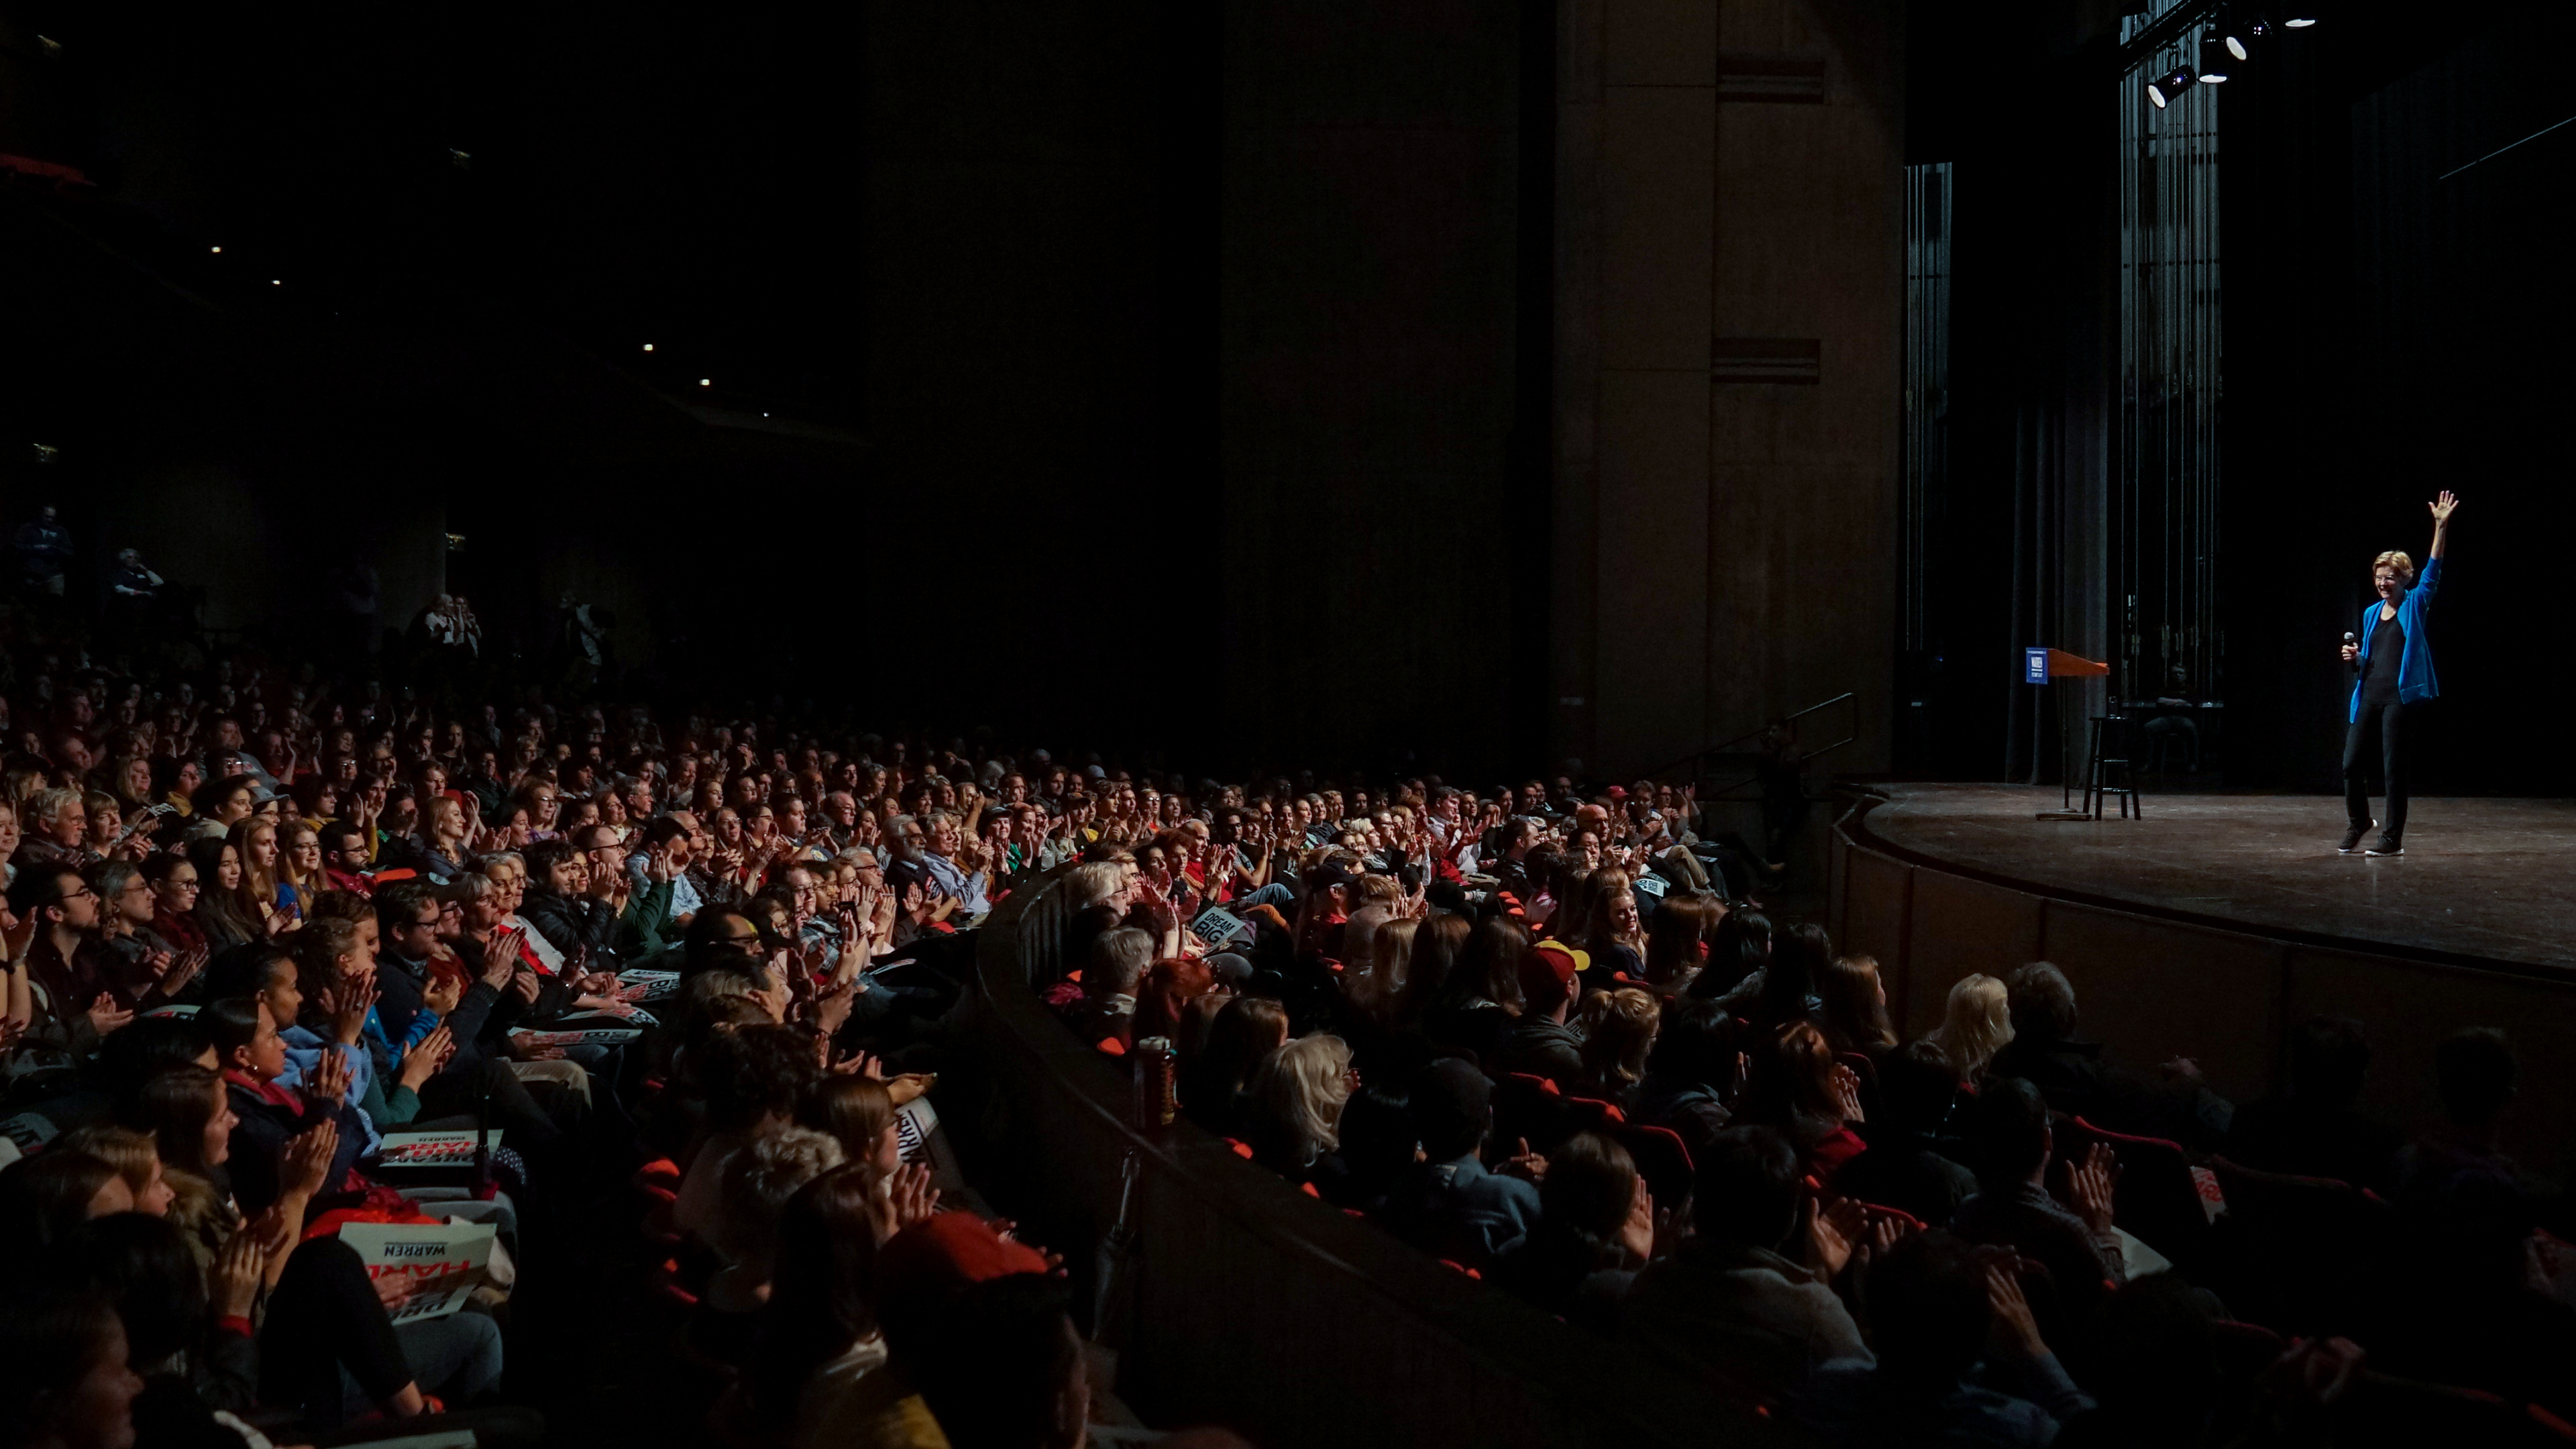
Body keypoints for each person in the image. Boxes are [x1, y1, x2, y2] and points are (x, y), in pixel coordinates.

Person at [1619, 1125, 1870, 1401]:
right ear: (1791, 1222)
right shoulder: (1820, 1323)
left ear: (1695, 1205)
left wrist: (1652, 1261)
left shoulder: (1644, 1289)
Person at [2337, 490, 2457, 856]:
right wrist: (2355, 658)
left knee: (2393, 770)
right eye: (2379, 577)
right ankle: (2360, 821)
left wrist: (2440, 525)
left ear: (2404, 578)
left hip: (2400, 698)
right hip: (2369, 693)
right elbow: (2372, 659)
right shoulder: (2372, 612)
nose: (2383, 583)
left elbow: (2434, 570)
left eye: (2390, 577)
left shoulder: (2416, 602)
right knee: (2351, 763)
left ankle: (2392, 838)